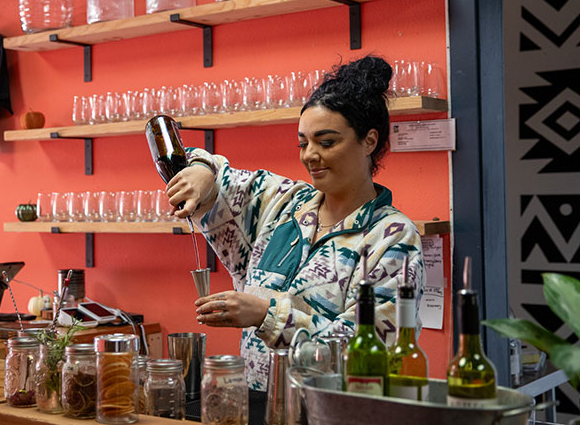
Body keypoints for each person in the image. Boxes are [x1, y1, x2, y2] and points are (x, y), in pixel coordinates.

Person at [166, 56, 425, 390]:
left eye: (326, 142)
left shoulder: (391, 238)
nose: (309, 155)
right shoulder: (283, 204)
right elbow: (212, 171)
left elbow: (370, 355)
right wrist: (202, 172)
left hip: (328, 412)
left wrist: (267, 315)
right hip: (257, 406)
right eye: (303, 143)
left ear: (369, 142)